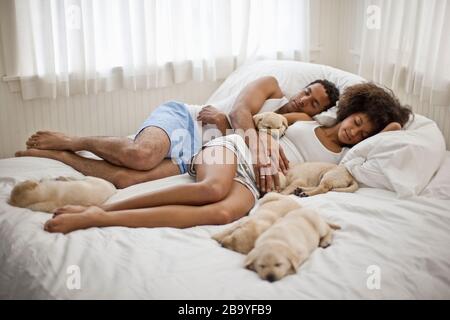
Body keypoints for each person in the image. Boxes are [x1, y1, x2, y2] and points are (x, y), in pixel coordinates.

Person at [41, 82, 412, 234]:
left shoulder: (348, 157)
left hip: (259, 182)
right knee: (211, 188)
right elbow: (259, 121)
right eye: (358, 121)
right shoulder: (306, 119)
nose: (355, 132)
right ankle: (100, 214)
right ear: (350, 109)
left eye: (365, 132)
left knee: (221, 213)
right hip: (236, 150)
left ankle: (102, 219)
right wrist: (259, 143)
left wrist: (386, 124)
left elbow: (390, 134)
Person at [16, 77, 339, 189]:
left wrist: (227, 128)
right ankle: (75, 141)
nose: (303, 100)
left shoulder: (294, 124)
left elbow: (229, 124)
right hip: (187, 119)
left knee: (130, 180)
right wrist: (247, 137)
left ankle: (59, 156)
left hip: (207, 150)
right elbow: (240, 110)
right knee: (140, 155)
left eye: (313, 104)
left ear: (316, 113)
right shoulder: (270, 86)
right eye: (307, 91)